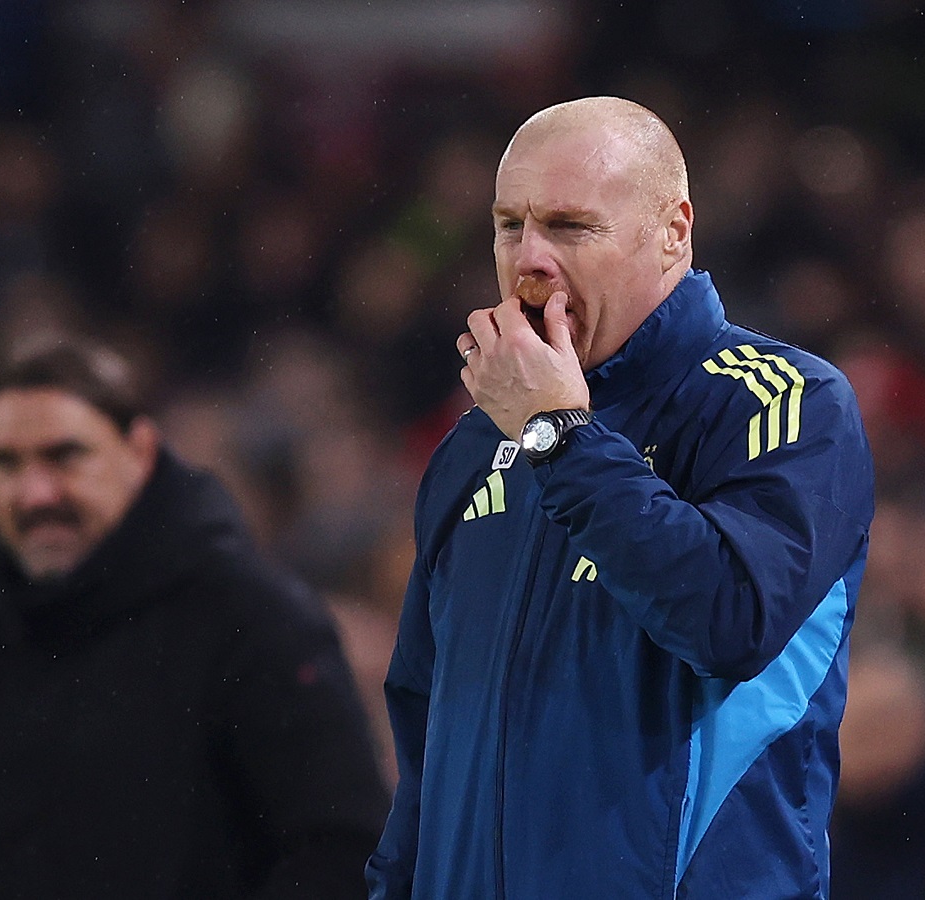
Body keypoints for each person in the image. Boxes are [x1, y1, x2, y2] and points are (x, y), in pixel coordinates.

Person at [366, 96, 875, 898]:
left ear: (673, 230)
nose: (528, 259)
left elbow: (727, 619)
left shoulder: (784, 403)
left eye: (569, 226)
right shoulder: (474, 446)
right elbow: (427, 748)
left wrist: (559, 434)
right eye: (509, 225)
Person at [0, 336, 389, 899]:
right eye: (6, 463)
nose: (35, 493)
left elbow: (337, 855)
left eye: (64, 456)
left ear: (139, 452)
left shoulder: (256, 624)